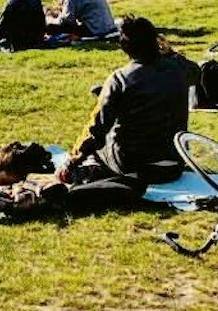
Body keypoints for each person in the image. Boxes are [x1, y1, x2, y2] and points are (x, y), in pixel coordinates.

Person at [58, 16, 199, 185]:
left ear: (124, 47)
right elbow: (196, 72)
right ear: (156, 41)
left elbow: (96, 131)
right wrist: (170, 53)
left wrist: (70, 162)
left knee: (98, 145)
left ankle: (91, 169)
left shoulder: (120, 79)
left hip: (132, 166)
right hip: (174, 166)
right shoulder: (180, 69)